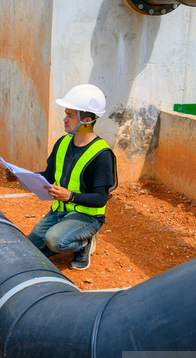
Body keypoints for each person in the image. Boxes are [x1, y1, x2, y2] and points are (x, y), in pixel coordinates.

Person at [25, 84, 117, 271]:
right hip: (59, 211)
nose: (65, 119)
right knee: (29, 247)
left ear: (86, 120)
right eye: (66, 114)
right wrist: (22, 176)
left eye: (70, 115)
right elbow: (48, 175)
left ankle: (84, 243)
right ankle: (60, 238)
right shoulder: (63, 142)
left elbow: (100, 199)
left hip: (87, 216)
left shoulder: (101, 154)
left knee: (54, 240)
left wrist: (71, 196)